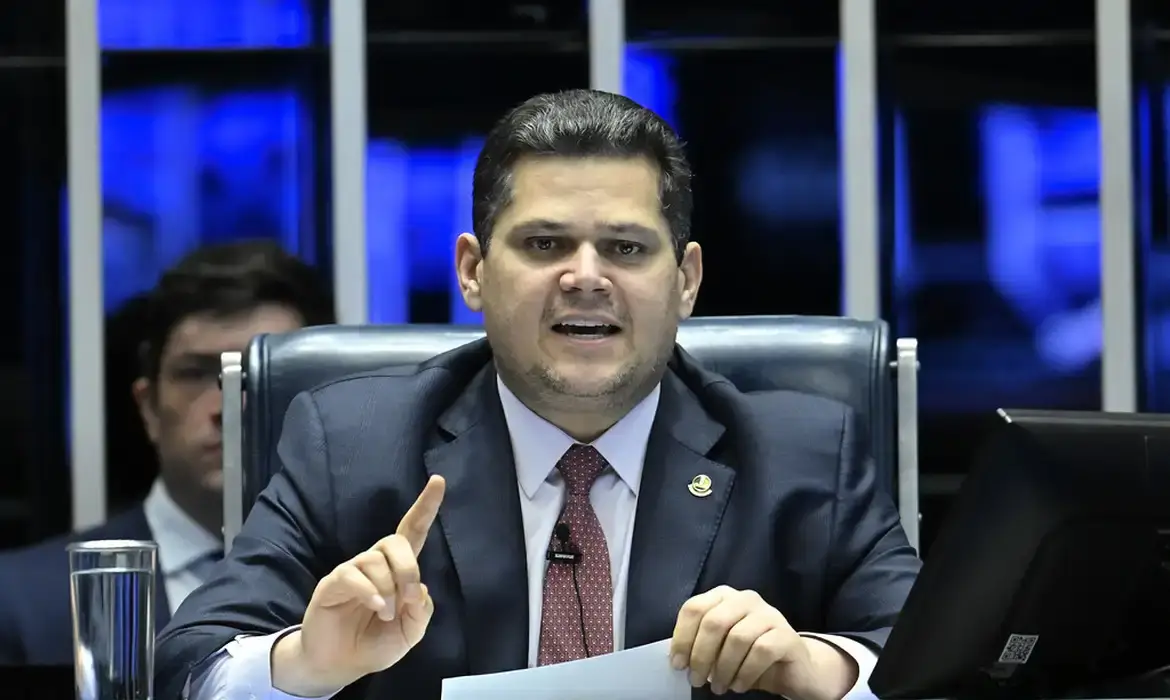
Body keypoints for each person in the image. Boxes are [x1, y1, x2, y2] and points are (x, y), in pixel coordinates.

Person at [156, 90, 921, 700]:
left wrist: (825, 669)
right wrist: (305, 662)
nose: (585, 277)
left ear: (685, 280)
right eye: (544, 244)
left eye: (625, 248)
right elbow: (191, 662)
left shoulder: (803, 456)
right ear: (473, 272)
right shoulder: (351, 445)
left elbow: (939, 661)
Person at [0, 241, 334, 665]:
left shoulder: (390, 591)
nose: (228, 406)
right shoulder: (23, 604)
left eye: (259, 374)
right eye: (196, 373)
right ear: (148, 408)